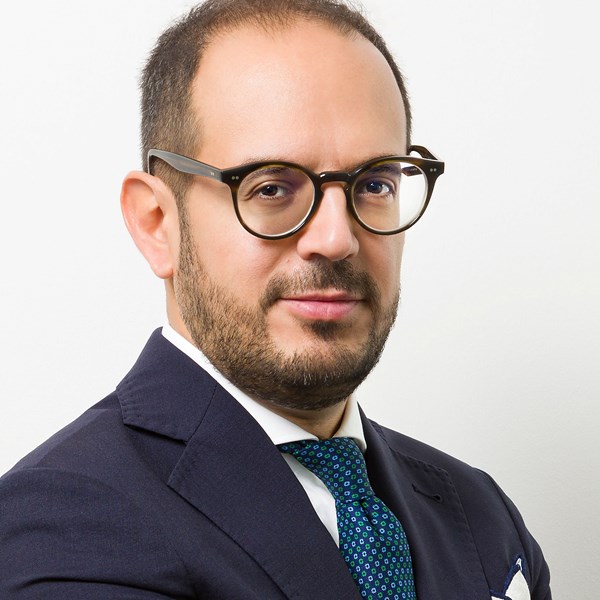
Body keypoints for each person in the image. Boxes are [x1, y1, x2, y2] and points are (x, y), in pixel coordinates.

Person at [0, 1, 551, 598]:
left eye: (374, 183)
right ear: (158, 223)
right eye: (270, 188)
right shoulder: (68, 521)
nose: (336, 239)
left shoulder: (480, 514)